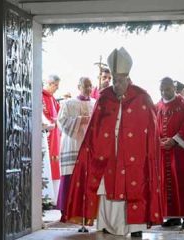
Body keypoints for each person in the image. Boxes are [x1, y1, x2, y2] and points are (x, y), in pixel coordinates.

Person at [63, 47, 163, 237]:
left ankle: (136, 228)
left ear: (128, 79)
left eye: (120, 81)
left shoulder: (142, 98)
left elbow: (152, 130)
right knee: (105, 189)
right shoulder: (104, 97)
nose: (116, 84)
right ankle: (107, 224)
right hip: (107, 153)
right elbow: (94, 128)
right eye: (114, 80)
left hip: (135, 155)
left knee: (135, 186)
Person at [156, 77, 184, 230]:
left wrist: (175, 140)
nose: (164, 92)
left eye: (167, 89)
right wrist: (158, 141)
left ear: (174, 87)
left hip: (179, 153)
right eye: (162, 90)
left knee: (182, 184)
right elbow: (152, 125)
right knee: (165, 184)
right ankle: (172, 217)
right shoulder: (157, 106)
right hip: (163, 151)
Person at [56, 77, 96, 219]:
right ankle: (67, 211)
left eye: (90, 86)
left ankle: (86, 213)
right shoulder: (68, 103)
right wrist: (79, 120)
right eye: (86, 86)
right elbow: (60, 121)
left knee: (87, 178)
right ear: (79, 86)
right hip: (73, 143)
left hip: (90, 145)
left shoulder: (95, 103)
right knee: (70, 177)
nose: (89, 89)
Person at [42, 74, 61, 207]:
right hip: (47, 135)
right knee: (47, 164)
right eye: (55, 86)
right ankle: (45, 197)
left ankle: (53, 197)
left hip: (55, 135)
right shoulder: (41, 97)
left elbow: (59, 113)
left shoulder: (52, 98)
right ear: (49, 83)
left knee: (55, 165)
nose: (57, 89)